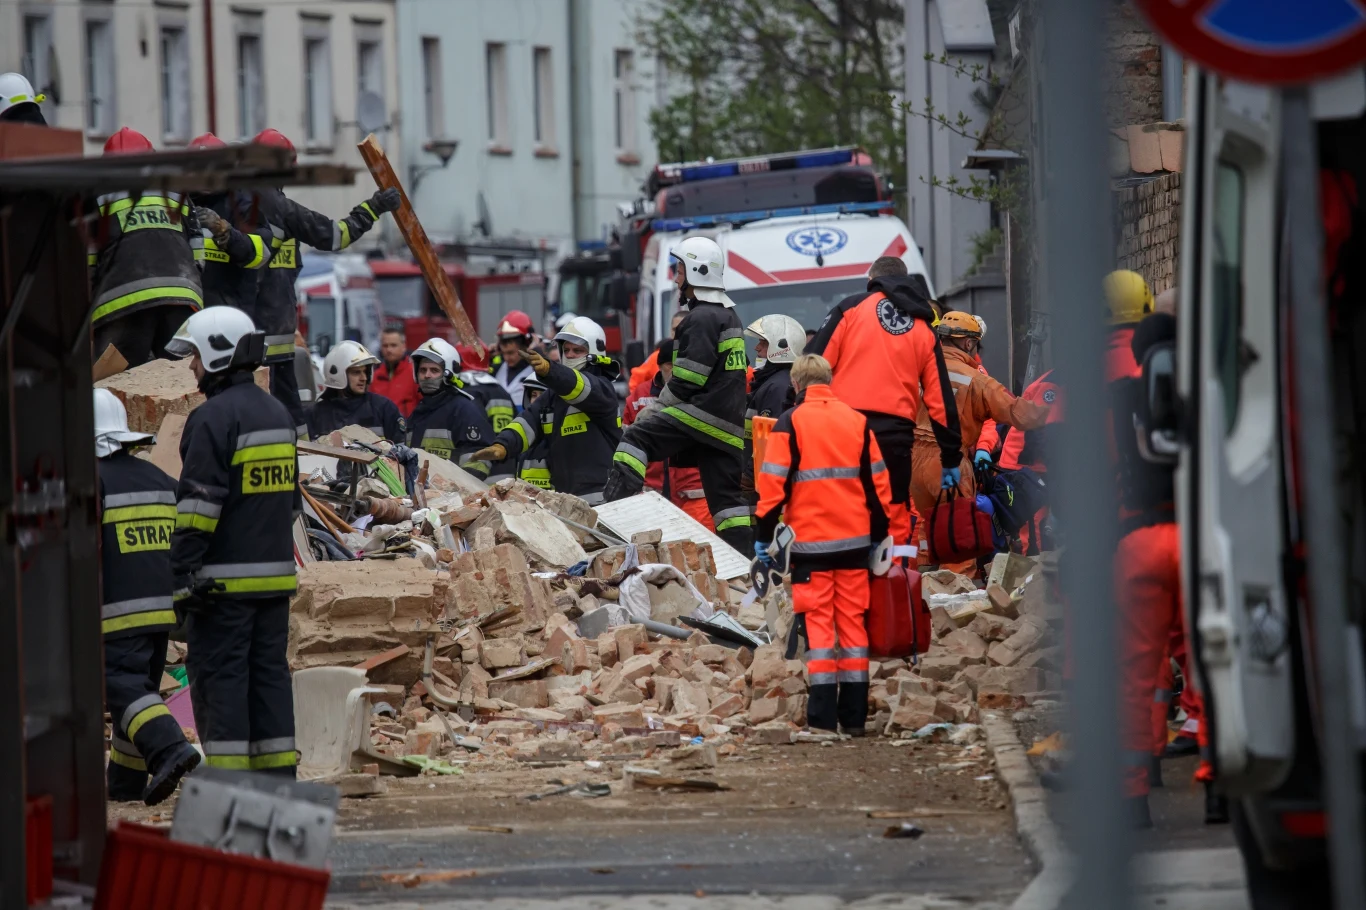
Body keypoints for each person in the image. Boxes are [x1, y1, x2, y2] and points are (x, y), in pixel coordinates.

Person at [166, 307, 301, 777]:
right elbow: (292, 505)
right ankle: (279, 782)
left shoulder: (211, 419)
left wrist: (180, 575)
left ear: (217, 353)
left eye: (195, 357)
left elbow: (198, 510)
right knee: (269, 683)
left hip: (221, 592)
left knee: (222, 688)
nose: (192, 367)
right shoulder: (278, 414)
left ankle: (227, 792)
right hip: (275, 585)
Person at [755, 354, 894, 734]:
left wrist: (763, 536)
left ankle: (820, 718)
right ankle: (853, 719)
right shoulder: (857, 421)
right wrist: (880, 537)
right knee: (852, 628)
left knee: (818, 630)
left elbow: (772, 488)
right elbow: (878, 486)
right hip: (853, 546)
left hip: (811, 550)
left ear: (796, 385)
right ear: (829, 381)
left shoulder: (790, 423)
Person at [602, 236, 755, 552]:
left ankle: (614, 512)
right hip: (728, 426)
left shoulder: (699, 318)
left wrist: (656, 408)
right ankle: (750, 562)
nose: (675, 277)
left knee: (636, 439)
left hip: (700, 415)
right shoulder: (729, 316)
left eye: (680, 270)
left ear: (698, 272)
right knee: (727, 506)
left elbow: (688, 379)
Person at [250, 128, 401, 437]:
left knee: (282, 425)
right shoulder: (278, 208)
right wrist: (374, 207)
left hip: (253, 348)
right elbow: (335, 235)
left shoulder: (231, 212)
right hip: (265, 349)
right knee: (287, 425)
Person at [807, 256, 961, 551]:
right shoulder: (923, 328)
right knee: (893, 511)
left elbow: (815, 365)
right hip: (895, 435)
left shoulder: (850, 308)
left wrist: (801, 411)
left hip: (842, 429)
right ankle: (891, 581)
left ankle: (849, 580)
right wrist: (951, 456)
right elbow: (939, 398)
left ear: (871, 281)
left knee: (842, 507)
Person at [95, 389, 200, 805]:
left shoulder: (92, 483)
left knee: (122, 688)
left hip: (117, 614)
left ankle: (170, 748)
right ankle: (124, 784)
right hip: (162, 614)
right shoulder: (162, 481)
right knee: (139, 695)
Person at [908, 312, 1051, 545]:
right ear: (968, 343)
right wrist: (1053, 412)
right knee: (960, 536)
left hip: (913, 461)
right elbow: (1016, 411)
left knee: (928, 528)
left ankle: (925, 577)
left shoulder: (916, 369)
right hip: (948, 460)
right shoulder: (975, 378)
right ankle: (960, 580)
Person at [471, 317, 622, 503]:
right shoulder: (552, 396)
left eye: (578, 350)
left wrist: (551, 371)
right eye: (566, 350)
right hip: (565, 497)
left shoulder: (602, 388)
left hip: (600, 496)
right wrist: (503, 445)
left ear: (594, 352)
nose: (570, 355)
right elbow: (528, 422)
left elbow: (579, 386)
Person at [89, 128, 203, 368]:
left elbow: (87, 257)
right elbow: (197, 243)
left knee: (115, 383)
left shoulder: (95, 193)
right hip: (180, 296)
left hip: (121, 301)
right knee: (183, 381)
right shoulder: (175, 190)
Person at [623, 339, 713, 530]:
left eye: (679, 365)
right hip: (650, 495)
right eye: (669, 365)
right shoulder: (640, 395)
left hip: (693, 492)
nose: (674, 371)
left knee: (698, 550)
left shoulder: (703, 392)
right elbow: (625, 445)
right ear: (659, 366)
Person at [406, 338, 495, 478]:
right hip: (423, 493)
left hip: (453, 495)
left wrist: (459, 488)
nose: (427, 375)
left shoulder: (464, 410)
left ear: (448, 373)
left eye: (434, 370)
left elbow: (479, 457)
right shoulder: (418, 413)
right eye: (423, 370)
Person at [307, 340, 406, 442]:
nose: (364, 378)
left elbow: (400, 452)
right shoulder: (316, 414)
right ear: (338, 374)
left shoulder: (384, 408)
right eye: (356, 372)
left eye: (365, 372)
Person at [628, 310, 688, 390]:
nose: (677, 333)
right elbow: (636, 380)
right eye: (674, 330)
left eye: (682, 329)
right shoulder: (657, 356)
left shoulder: (702, 355)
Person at [489, 311, 537, 407]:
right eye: (504, 353)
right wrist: (487, 357)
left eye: (511, 353)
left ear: (525, 346)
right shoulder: (497, 370)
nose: (507, 358)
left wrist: (536, 349)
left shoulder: (537, 370)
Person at [371, 327, 421, 418]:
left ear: (403, 346)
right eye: (385, 346)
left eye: (393, 345)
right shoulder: (376, 376)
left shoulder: (415, 374)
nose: (389, 350)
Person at [515, 378, 554, 489]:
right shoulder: (527, 436)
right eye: (534, 395)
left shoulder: (558, 437)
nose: (537, 400)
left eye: (542, 395)